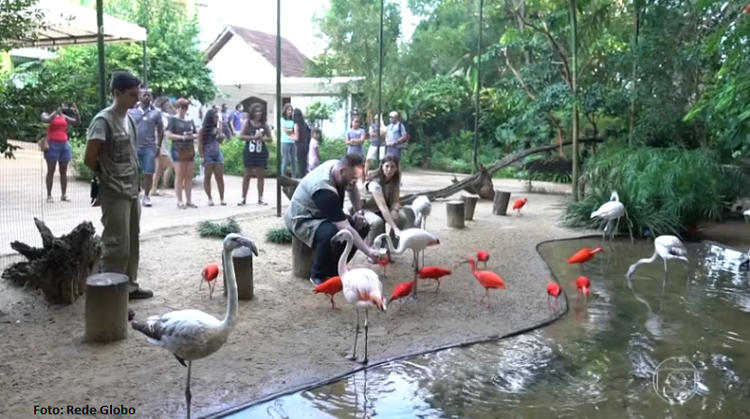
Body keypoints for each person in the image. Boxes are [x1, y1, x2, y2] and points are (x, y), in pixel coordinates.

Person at [83, 70, 153, 300]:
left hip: (132, 189)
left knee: (131, 242)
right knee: (115, 245)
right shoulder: (103, 120)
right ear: (117, 93)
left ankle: (129, 287)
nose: (136, 98)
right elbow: (90, 158)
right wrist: (107, 177)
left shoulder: (129, 118)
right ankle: (111, 296)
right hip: (115, 192)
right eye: (132, 94)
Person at [284, 154, 381, 286]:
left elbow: (352, 188)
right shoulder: (324, 190)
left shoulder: (338, 166)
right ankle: (317, 274)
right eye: (353, 178)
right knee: (332, 232)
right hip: (302, 219)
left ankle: (335, 267)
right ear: (342, 171)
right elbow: (344, 227)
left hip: (321, 213)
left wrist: (359, 212)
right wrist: (369, 251)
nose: (355, 181)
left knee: (362, 225)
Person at [362, 154, 408, 252]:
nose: (389, 169)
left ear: (396, 168)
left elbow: (396, 201)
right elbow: (382, 207)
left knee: (402, 217)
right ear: (382, 166)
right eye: (387, 166)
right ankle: (372, 250)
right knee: (377, 222)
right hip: (368, 209)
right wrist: (395, 228)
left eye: (392, 167)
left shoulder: (395, 181)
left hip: (383, 208)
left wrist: (395, 210)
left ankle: (391, 248)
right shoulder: (375, 182)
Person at [128, 87, 164, 207]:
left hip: (150, 147)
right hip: (134, 146)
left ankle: (147, 196)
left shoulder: (156, 113)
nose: (147, 97)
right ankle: (135, 193)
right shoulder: (131, 112)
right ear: (139, 97)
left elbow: (160, 129)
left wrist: (158, 145)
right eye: (144, 95)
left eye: (149, 95)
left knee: (149, 172)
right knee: (134, 172)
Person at [41, 103, 80, 203]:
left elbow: (77, 122)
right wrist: (56, 112)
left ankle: (64, 194)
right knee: (51, 171)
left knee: (63, 171)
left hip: (64, 145)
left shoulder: (63, 116)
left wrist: (76, 112)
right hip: (52, 145)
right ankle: (49, 195)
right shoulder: (45, 114)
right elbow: (47, 120)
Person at [165, 98, 198, 209]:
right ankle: (179, 200)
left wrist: (190, 136)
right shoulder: (172, 120)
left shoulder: (190, 120)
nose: (181, 109)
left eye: (184, 107)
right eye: (179, 107)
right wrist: (182, 137)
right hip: (177, 149)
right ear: (177, 107)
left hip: (189, 149)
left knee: (188, 176)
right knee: (179, 175)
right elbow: (169, 135)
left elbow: (196, 134)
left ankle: (189, 200)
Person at [238, 103, 272, 205]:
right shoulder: (247, 123)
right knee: (247, 175)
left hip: (261, 151)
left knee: (260, 175)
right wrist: (252, 137)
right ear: (252, 112)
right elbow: (241, 136)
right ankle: (243, 198)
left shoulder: (264, 124)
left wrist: (262, 138)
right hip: (249, 150)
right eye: (256, 111)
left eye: (260, 111)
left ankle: (260, 198)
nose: (258, 113)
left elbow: (270, 139)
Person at [198, 108, 227, 206]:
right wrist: (201, 156)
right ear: (210, 118)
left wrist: (221, 136)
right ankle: (210, 198)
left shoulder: (217, 129)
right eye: (215, 117)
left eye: (217, 117)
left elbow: (220, 141)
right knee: (208, 177)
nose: (216, 119)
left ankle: (222, 198)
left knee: (220, 177)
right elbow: (200, 143)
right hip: (207, 154)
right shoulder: (203, 130)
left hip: (217, 153)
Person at [152, 97, 175, 196]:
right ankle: (163, 187)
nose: (169, 105)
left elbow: (174, 114)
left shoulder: (164, 115)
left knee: (159, 167)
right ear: (163, 104)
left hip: (163, 142)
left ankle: (154, 189)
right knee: (169, 165)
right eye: (167, 103)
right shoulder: (157, 114)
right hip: (159, 143)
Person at [290, 108, 311, 177]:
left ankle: (301, 178)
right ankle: (304, 176)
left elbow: (297, 138)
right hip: (306, 145)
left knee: (300, 164)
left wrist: (290, 137)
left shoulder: (296, 125)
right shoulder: (304, 124)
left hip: (299, 146)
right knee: (304, 164)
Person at [366, 114, 386, 178]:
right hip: (373, 144)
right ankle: (365, 174)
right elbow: (371, 133)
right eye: (376, 119)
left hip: (382, 145)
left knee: (382, 160)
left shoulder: (383, 126)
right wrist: (379, 133)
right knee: (368, 159)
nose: (377, 120)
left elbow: (384, 133)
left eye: (379, 119)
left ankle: (381, 173)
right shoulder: (372, 125)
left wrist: (382, 124)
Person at [279, 104, 296, 177]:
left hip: (292, 142)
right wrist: (292, 130)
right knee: (285, 160)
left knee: (294, 160)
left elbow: (296, 130)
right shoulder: (282, 119)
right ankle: (282, 176)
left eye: (291, 110)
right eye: (288, 110)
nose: (290, 111)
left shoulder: (293, 120)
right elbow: (285, 130)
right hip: (285, 142)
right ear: (285, 111)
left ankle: (294, 176)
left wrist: (292, 130)